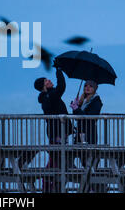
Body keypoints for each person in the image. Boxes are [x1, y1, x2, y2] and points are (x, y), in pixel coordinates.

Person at [34, 64, 73, 193]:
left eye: (48, 79)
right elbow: (62, 87)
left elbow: (59, 90)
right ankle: (47, 187)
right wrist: (58, 71)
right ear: (43, 87)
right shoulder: (50, 96)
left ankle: (50, 186)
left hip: (57, 133)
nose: (49, 81)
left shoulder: (49, 96)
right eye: (46, 81)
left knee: (56, 161)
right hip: (57, 133)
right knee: (55, 161)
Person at [70, 80, 103, 144]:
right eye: (85, 86)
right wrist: (75, 107)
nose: (87, 88)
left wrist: (77, 109)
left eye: (90, 86)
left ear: (95, 89)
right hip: (80, 132)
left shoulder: (96, 101)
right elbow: (77, 118)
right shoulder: (82, 100)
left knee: (87, 153)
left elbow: (89, 117)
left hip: (89, 133)